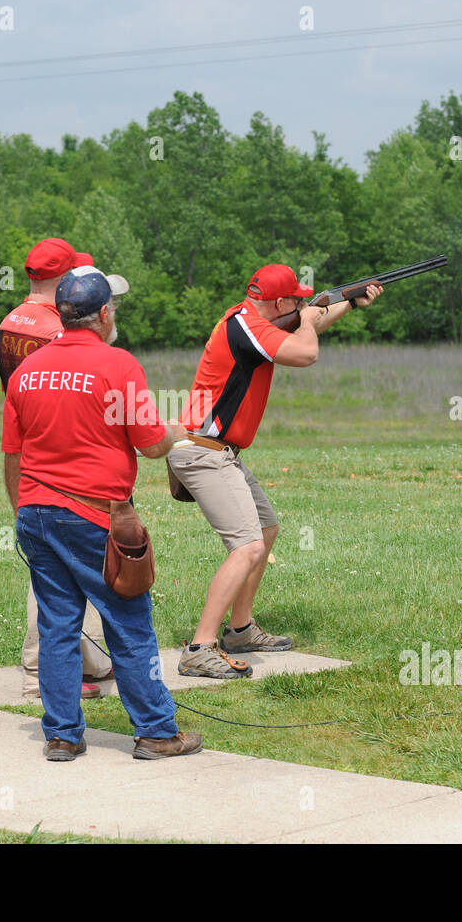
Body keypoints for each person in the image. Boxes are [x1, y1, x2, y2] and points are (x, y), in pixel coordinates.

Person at [2, 266, 201, 761]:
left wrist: (24, 511)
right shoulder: (118, 365)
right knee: (129, 624)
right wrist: (176, 430)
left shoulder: (27, 370)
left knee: (57, 627)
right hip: (94, 517)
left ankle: (63, 735)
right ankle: (156, 731)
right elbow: (152, 445)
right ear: (104, 314)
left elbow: (13, 455)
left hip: (35, 512)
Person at [168, 264, 382, 679]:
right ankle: (200, 647)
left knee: (265, 530)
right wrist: (307, 319)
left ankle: (241, 629)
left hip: (221, 451)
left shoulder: (252, 323)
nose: (303, 304)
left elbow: (311, 322)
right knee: (246, 546)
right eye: (296, 299)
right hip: (203, 451)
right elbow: (307, 351)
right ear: (281, 303)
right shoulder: (246, 328)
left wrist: (350, 303)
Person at [0, 237, 117, 701]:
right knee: (67, 575)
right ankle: (45, 673)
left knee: (51, 571)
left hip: (27, 452)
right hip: (62, 463)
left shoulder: (13, 320)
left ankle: (73, 666)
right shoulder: (54, 330)